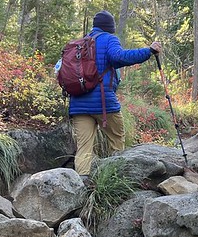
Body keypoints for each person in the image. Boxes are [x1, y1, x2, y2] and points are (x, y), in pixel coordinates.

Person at [69, 10, 161, 176]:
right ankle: (116, 179)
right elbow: (120, 57)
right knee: (116, 141)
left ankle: (82, 185)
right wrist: (149, 51)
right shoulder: (109, 39)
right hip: (104, 104)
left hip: (78, 104)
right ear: (110, 27)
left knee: (83, 148)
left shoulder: (80, 43)